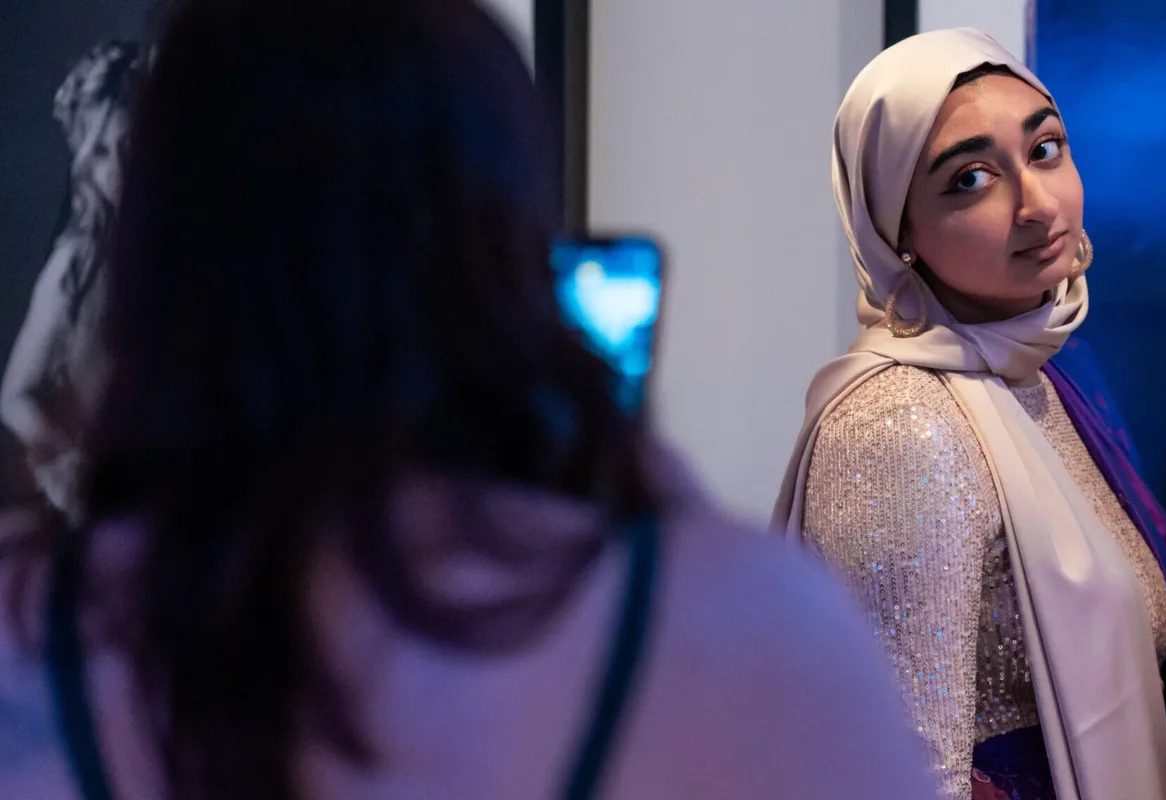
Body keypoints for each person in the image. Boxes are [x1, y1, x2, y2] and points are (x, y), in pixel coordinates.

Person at [0, 1, 935, 798]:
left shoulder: (28, 632)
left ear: (150, 249)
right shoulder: (748, 632)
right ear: (513, 247)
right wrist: (661, 510)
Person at [773, 28, 1166, 800]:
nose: (1037, 205)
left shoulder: (1035, 374)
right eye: (972, 179)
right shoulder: (900, 422)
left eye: (1045, 150)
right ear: (897, 228)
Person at [1, 41, 146, 519]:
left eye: (130, 145)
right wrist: (65, 465)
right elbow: (17, 393)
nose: (116, 167)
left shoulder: (169, 261)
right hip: (72, 496)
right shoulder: (77, 262)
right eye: (102, 152)